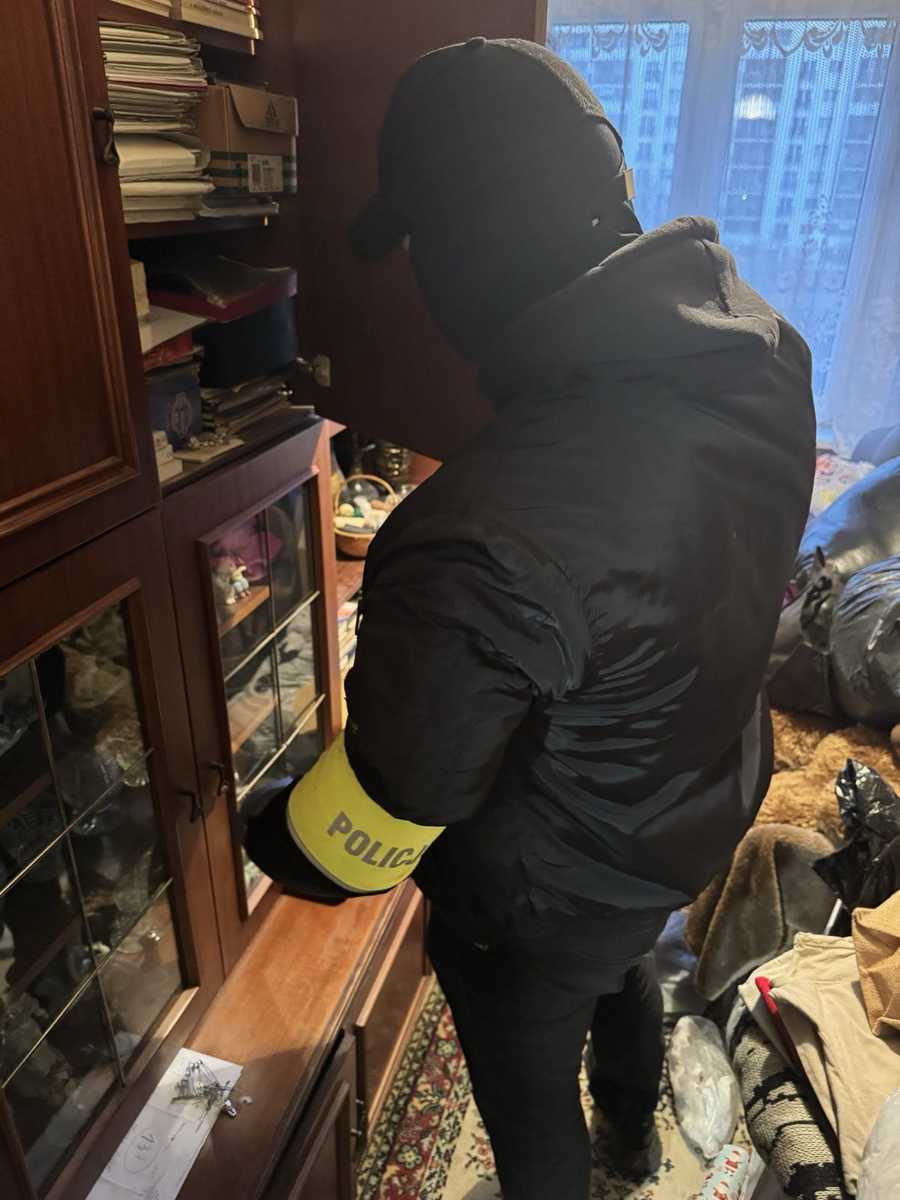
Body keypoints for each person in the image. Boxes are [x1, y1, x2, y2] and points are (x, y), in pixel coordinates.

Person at [245, 37, 816, 1200]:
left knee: (525, 1087)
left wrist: (264, 831)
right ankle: (635, 1140)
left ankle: (583, 1162)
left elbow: (392, 807)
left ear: (464, 252)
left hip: (553, 882)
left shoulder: (476, 531)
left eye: (421, 247)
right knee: (626, 966)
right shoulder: (762, 350)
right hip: (699, 794)